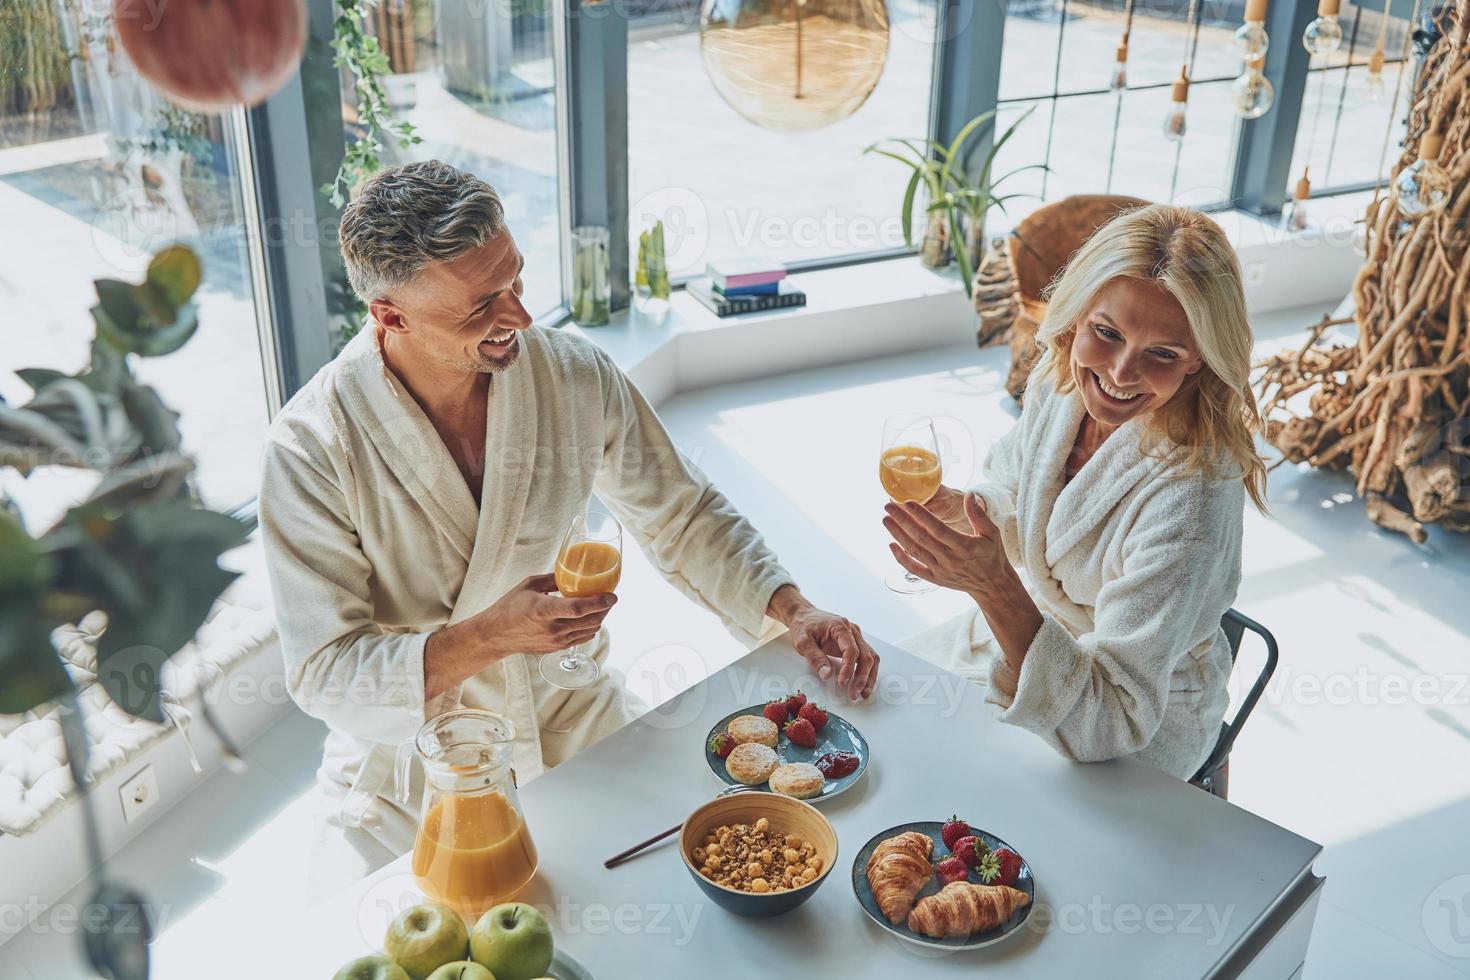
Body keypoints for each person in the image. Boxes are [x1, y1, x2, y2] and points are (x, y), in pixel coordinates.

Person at [259, 160, 879, 894]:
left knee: (678, 902)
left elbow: (682, 513)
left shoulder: (569, 375)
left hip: (573, 719)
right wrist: (489, 636)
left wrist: (792, 609)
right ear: (390, 315)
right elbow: (325, 671)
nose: (519, 316)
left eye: (516, 280)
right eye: (481, 305)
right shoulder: (311, 450)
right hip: (413, 772)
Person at [885, 203, 1266, 780]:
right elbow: (1016, 484)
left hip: (1132, 723)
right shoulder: (1062, 381)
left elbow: (1114, 717)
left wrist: (995, 588)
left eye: (1162, 354)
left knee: (943, 780)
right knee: (880, 716)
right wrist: (973, 512)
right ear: (1078, 314)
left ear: (1200, 362)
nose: (1118, 374)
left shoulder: (1193, 500)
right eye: (1106, 333)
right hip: (1039, 638)